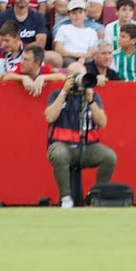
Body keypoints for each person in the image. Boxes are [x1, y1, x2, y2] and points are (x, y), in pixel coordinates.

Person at [44, 59, 117, 207]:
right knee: (59, 155)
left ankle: (96, 195)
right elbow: (50, 117)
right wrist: (64, 92)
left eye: (83, 76)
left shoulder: (93, 96)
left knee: (109, 157)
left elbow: (102, 123)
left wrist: (90, 101)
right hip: (61, 144)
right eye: (76, 77)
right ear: (68, 77)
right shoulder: (57, 94)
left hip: (87, 146)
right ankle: (66, 197)